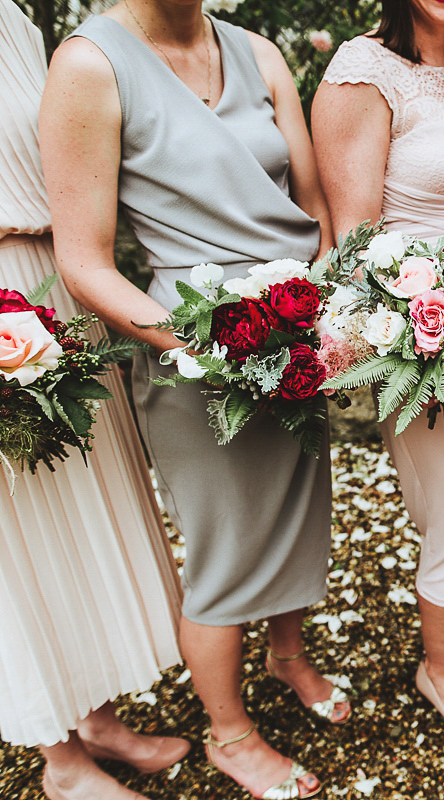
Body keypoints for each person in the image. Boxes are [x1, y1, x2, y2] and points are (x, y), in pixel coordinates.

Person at [40, 1, 346, 796]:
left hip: (294, 334)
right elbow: (85, 262)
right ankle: (231, 734)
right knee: (225, 550)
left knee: (301, 513)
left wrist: (320, 304)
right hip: (191, 353)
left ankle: (287, 658)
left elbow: (314, 210)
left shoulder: (258, 53)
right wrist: (206, 344)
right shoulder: (88, 64)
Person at [0, 3, 189, 798]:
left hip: (59, 282)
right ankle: (59, 757)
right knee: (14, 543)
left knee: (79, 510)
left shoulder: (13, 17)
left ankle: (97, 716)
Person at [311, 0, 444, 738]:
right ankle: (440, 669)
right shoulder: (363, 71)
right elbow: (358, 238)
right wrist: (418, 327)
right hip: (417, 341)